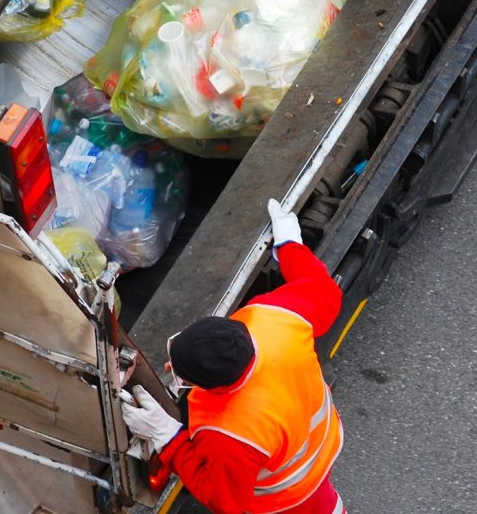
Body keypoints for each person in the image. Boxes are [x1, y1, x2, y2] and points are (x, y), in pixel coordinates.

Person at [121, 198, 346, 514]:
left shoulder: (230, 431)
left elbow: (224, 500)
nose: (170, 367)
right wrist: (289, 245)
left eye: (181, 373)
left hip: (284, 497)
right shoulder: (273, 319)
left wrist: (168, 437)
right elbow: (324, 291)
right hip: (316, 449)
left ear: (215, 387)